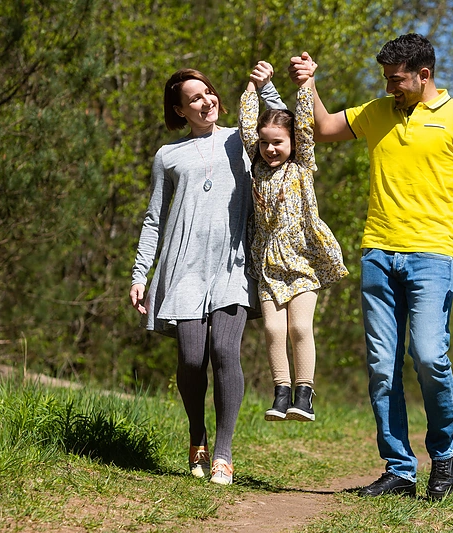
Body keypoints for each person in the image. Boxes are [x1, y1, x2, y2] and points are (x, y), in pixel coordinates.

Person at [289, 34, 453, 500]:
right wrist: (308, 84)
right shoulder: (377, 112)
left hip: (431, 257)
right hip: (378, 254)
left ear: (424, 75)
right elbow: (324, 128)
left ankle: (443, 460)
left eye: (397, 79)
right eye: (386, 79)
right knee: (382, 368)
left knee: (429, 357)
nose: (390, 87)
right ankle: (400, 471)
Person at [130, 67, 285, 486]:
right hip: (183, 268)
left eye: (210, 92)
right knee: (191, 358)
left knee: (224, 350)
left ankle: (223, 452)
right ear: (180, 110)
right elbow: (152, 220)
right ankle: (196, 436)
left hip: (233, 264)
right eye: (194, 98)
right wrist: (140, 272)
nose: (207, 101)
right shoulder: (168, 155)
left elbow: (287, 125)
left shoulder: (243, 138)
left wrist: (265, 84)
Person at [238, 62, 348, 423]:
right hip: (267, 259)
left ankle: (305, 392)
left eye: (278, 143)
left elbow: (302, 120)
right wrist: (254, 87)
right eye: (266, 143)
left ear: (293, 143)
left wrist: (306, 84)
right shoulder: (256, 166)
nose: (271, 149)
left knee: (300, 328)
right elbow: (246, 124)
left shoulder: (301, 164)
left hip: (302, 257)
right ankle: (281, 392)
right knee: (272, 329)